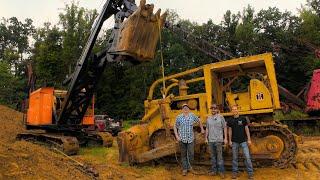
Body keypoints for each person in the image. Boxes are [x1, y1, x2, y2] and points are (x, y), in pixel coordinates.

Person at [174, 103, 205, 176]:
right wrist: (177, 136)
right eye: (184, 108)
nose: (185, 109)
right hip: (182, 139)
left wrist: (202, 129)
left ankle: (189, 167)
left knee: (191, 154)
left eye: (186, 108)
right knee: (183, 155)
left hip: (191, 139)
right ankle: (185, 169)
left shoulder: (192, 115)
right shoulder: (179, 117)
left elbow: (199, 121)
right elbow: (175, 127)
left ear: (188, 109)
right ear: (182, 109)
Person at [227, 105, 254, 179]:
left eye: (235, 109)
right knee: (235, 158)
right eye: (233, 109)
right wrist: (229, 140)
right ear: (232, 111)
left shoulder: (243, 118)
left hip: (243, 141)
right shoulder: (230, 120)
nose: (234, 110)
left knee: (247, 157)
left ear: (238, 110)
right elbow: (230, 131)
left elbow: (246, 129)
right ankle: (235, 173)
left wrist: (249, 139)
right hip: (234, 141)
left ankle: (250, 173)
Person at [205, 104, 227, 178]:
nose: (213, 110)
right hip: (211, 140)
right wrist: (206, 138)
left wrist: (225, 138)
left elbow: (225, 128)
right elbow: (207, 129)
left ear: (217, 109)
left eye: (215, 108)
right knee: (213, 157)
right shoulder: (208, 118)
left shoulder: (221, 117)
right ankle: (214, 171)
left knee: (219, 157)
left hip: (218, 140)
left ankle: (221, 172)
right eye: (212, 108)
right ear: (211, 110)